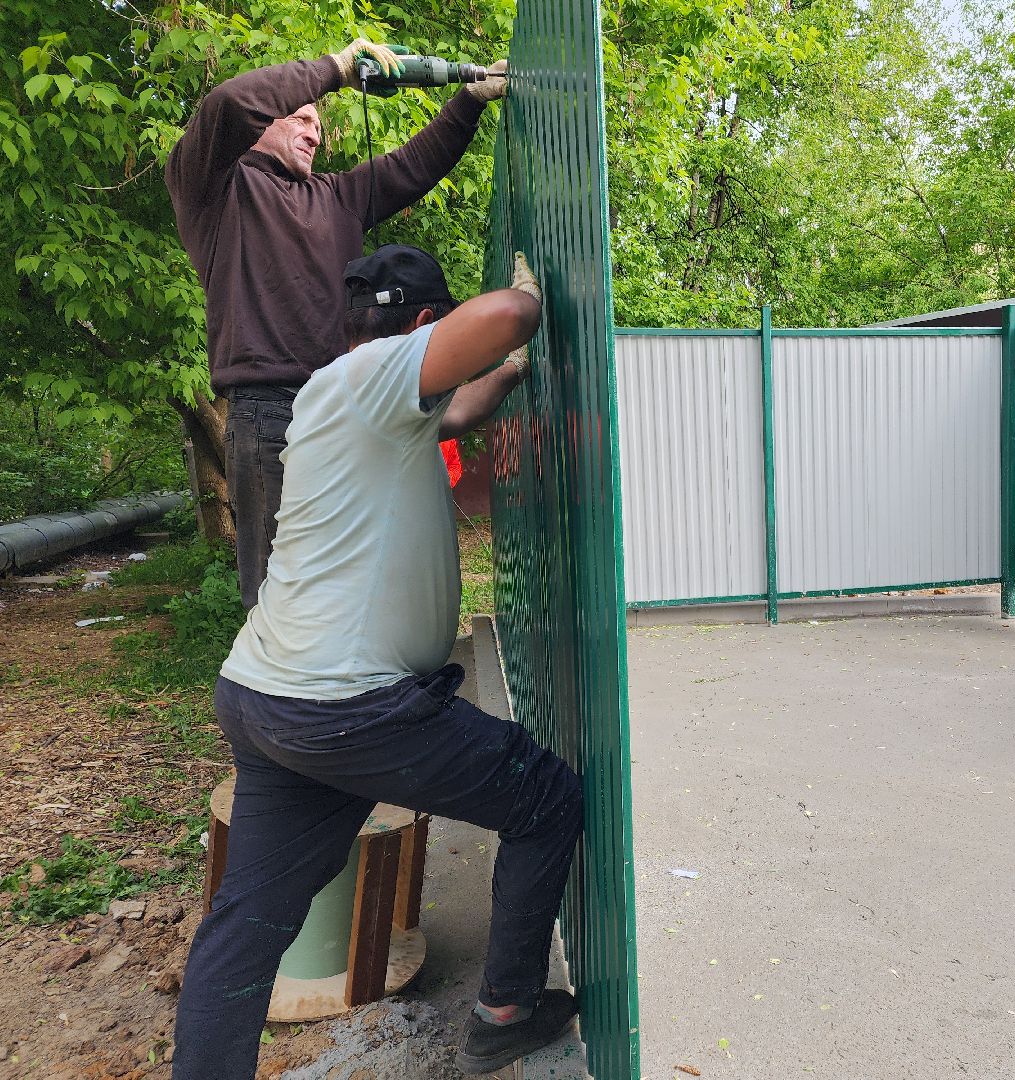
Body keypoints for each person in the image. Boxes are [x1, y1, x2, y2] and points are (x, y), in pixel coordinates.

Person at [171, 246, 582, 1079]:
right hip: (349, 709)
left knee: (247, 922)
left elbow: (454, 412)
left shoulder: (347, 395)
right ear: (423, 326)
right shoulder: (373, 378)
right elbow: (506, 317)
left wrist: (504, 377)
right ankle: (504, 1012)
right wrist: (523, 299)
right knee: (546, 799)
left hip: (267, 693)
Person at [165, 40, 517, 608]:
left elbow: (412, 166)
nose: (315, 131)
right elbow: (229, 105)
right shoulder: (214, 188)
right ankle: (280, 692)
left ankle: (360, 691)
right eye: (301, 116)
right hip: (270, 416)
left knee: (357, 574)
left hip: (349, 402)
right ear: (266, 118)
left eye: (318, 124)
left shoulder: (336, 196)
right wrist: (336, 71)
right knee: (284, 590)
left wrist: (470, 100)